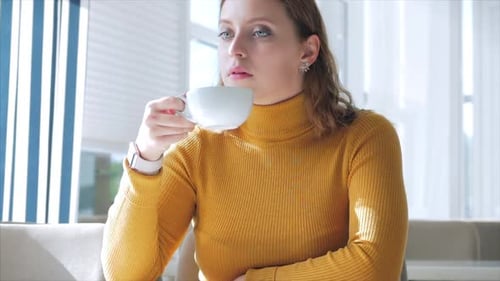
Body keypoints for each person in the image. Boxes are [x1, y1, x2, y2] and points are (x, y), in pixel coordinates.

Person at [101, 0, 408, 280]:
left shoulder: (365, 136)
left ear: (307, 52)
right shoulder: (197, 147)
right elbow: (125, 275)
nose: (235, 48)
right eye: (225, 33)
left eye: (260, 32)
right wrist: (145, 158)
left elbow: (374, 267)